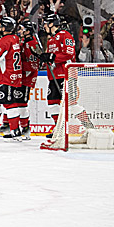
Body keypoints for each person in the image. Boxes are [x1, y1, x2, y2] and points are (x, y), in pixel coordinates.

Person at [40, 13, 76, 145]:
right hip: (54, 76)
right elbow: (51, 58)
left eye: (45, 23)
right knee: (52, 102)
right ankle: (58, 126)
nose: (44, 26)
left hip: (66, 75)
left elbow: (69, 53)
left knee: (70, 104)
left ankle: (83, 124)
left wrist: (52, 57)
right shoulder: (51, 40)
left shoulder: (65, 35)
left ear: (51, 24)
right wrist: (45, 59)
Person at [18, 20, 41, 141]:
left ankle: (25, 128)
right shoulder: (24, 42)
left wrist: (20, 68)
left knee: (22, 103)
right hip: (20, 77)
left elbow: (34, 64)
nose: (19, 31)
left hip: (26, 77)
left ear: (27, 31)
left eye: (22, 29)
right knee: (15, 102)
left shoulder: (32, 43)